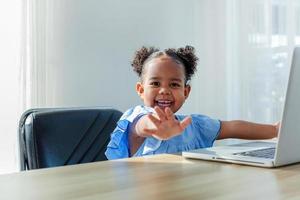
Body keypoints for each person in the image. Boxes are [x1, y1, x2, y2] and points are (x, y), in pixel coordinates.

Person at [105, 45, 279, 159]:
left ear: (186, 92)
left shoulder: (195, 126)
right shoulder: (137, 117)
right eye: (155, 83)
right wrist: (158, 129)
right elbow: (142, 126)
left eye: (174, 84)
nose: (164, 90)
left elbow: (232, 127)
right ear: (141, 90)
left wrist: (275, 130)